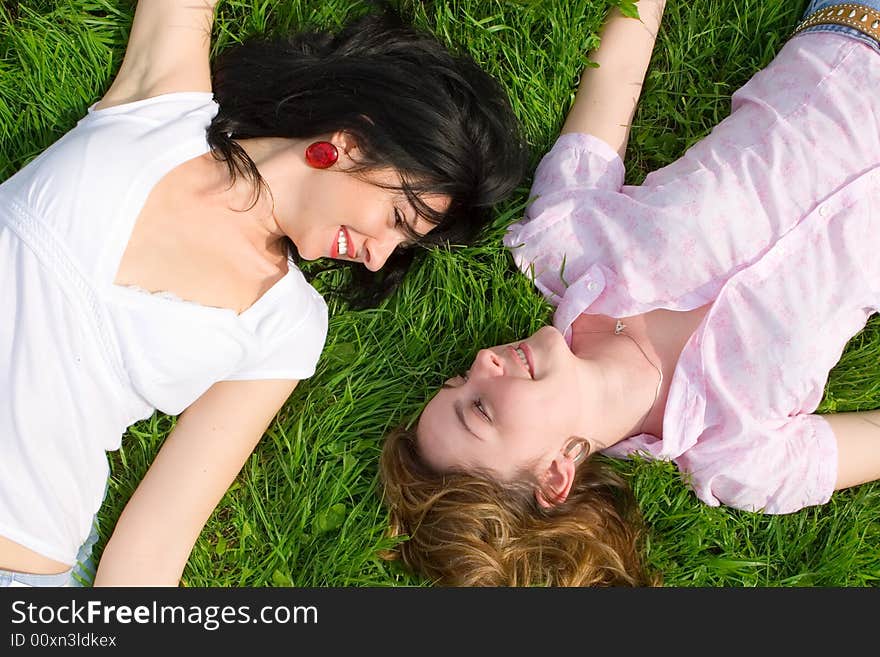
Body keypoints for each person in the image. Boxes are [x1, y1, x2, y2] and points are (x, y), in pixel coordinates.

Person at [0, 0, 527, 587]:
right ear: (355, 142)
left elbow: (158, 539)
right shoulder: (161, 112)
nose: (378, 255)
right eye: (397, 219)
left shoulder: (287, 325)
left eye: (400, 249)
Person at [379, 0, 880, 587]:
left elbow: (617, 74)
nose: (482, 364)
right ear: (555, 477)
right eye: (480, 408)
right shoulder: (741, 456)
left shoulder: (564, 248)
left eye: (459, 380)